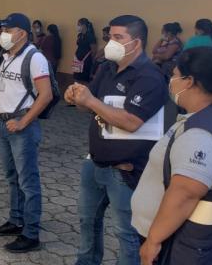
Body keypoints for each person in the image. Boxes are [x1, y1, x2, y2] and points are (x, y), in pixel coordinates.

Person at [132, 47, 212, 265]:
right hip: (194, 239)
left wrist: (153, 240)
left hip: (181, 243)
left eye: (174, 75)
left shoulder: (201, 134)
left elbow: (185, 194)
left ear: (189, 81)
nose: (171, 81)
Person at [64, 15, 168, 265]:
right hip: (95, 163)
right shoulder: (108, 68)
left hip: (125, 170)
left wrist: (90, 100)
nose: (112, 42)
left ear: (137, 42)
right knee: (87, 221)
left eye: (118, 37)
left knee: (126, 233)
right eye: (110, 37)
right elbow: (91, 106)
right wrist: (76, 98)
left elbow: (132, 121)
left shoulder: (149, 77)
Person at [0, 13, 54, 254]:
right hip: (4, 125)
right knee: (12, 176)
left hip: (21, 127)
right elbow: (4, 89)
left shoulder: (35, 58)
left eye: (8, 29)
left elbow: (45, 95)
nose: (3, 33)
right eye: (3, 28)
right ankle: (16, 221)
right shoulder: (7, 57)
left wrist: (24, 121)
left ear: (22, 33)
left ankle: (31, 233)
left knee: (28, 181)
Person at [73, 18, 97, 83]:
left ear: (84, 25)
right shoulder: (80, 35)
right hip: (77, 60)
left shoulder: (90, 36)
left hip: (86, 61)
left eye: (79, 25)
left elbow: (94, 50)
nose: (77, 26)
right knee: (76, 77)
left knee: (84, 80)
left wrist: (92, 62)